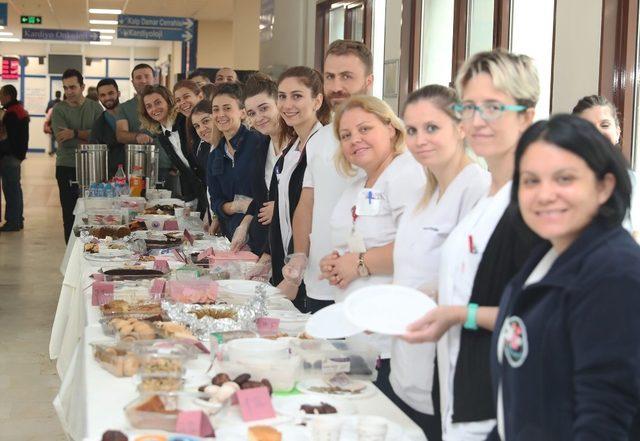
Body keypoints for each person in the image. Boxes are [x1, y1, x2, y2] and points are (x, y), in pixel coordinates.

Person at [402, 50, 541, 441]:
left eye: (494, 107)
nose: (478, 121)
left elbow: (541, 317)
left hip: (503, 399)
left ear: (527, 115)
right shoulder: (488, 197)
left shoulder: (532, 202)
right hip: (459, 382)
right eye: (470, 107)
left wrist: (458, 313)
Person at [487, 114, 640, 440]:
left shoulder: (614, 274)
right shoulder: (549, 253)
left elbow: (604, 419)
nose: (544, 194)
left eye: (565, 179)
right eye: (531, 180)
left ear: (604, 186)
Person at [389, 85, 491, 440]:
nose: (419, 140)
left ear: (461, 127)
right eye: (412, 131)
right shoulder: (426, 191)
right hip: (408, 351)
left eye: (432, 128)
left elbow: (473, 279)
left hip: (445, 352)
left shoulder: (477, 188)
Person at [317, 95, 424, 400]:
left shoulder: (406, 173)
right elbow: (358, 238)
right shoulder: (360, 184)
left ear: (391, 128)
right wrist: (336, 261)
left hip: (392, 336)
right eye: (346, 135)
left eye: (365, 129)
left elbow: (416, 247)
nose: (355, 140)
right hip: (359, 331)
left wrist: (359, 263)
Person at [289, 39, 373, 313]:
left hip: (365, 281)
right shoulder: (319, 139)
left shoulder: (382, 137)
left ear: (368, 81)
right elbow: (307, 204)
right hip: (320, 278)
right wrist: (300, 254)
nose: (337, 86)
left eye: (347, 77)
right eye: (330, 77)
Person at [255, 66, 329, 311]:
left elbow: (312, 211)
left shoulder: (323, 145)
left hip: (311, 269)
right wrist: (270, 258)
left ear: (317, 100)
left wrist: (295, 274)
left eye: (297, 96)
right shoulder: (292, 148)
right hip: (289, 267)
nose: (287, 104)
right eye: (282, 96)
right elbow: (283, 213)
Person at [230, 73, 292, 255]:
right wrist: (244, 225)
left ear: (279, 105)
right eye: (252, 113)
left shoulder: (298, 148)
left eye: (264, 109)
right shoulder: (260, 148)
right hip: (263, 245)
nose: (259, 118)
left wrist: (281, 208)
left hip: (290, 249)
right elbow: (260, 200)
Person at [572, 94, 640, 237]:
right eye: (588, 127)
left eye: (605, 125)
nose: (598, 132)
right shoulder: (565, 179)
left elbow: (635, 232)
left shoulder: (632, 180)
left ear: (618, 132)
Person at [208, 82, 267, 239]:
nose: (220, 114)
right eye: (216, 110)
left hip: (260, 233)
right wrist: (232, 207)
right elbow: (215, 199)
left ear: (242, 113)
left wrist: (248, 213)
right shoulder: (215, 155)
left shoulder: (259, 143)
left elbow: (268, 192)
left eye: (227, 108)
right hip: (232, 237)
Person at [139, 85, 208, 216]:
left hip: (213, 188)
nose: (154, 109)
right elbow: (185, 169)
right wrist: (189, 201)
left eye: (158, 102)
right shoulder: (161, 134)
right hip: (198, 192)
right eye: (149, 106)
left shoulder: (186, 121)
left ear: (169, 102)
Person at [51, 68, 103, 243]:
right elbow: (61, 139)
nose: (68, 92)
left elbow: (100, 137)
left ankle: (90, 248)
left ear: (82, 87)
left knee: (91, 213)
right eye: (65, 88)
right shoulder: (59, 109)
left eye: (72, 87)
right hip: (66, 167)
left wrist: (73, 133)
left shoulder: (95, 107)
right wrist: (86, 135)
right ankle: (70, 253)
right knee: (69, 213)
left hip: (92, 167)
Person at [115, 63, 175, 195]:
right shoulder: (125, 107)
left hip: (168, 167)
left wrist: (177, 164)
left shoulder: (168, 103)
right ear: (133, 82)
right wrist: (137, 137)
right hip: (137, 168)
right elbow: (120, 135)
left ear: (154, 78)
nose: (143, 80)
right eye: (138, 77)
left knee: (170, 208)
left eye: (147, 76)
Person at [0, 85, 30, 232]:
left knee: (11, 189)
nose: (0, 98)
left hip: (9, 156)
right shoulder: (19, 110)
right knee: (14, 189)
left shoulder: (12, 113)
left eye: (1, 95)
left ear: (8, 96)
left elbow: (7, 138)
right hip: (16, 156)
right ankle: (18, 219)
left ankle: (13, 221)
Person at [89, 78, 124, 177]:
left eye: (111, 93)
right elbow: (94, 155)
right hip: (111, 178)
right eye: (103, 95)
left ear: (118, 93)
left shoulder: (132, 115)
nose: (107, 98)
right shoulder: (99, 124)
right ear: (99, 98)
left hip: (137, 175)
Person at [45, 91, 61, 156]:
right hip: (60, 123)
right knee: (60, 138)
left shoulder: (51, 102)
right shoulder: (62, 103)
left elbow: (47, 111)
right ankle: (59, 151)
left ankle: (52, 151)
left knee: (53, 138)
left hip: (52, 123)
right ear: (60, 95)